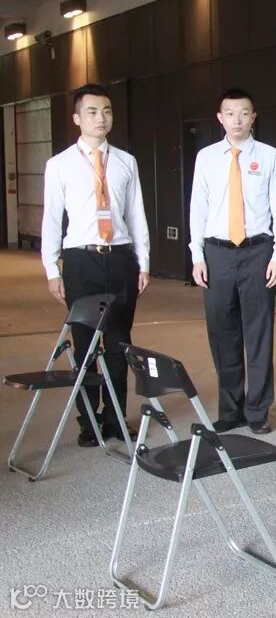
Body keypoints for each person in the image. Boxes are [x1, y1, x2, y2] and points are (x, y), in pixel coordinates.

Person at [41, 83, 150, 446]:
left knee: (119, 343)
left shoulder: (126, 162)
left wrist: (143, 263)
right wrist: (52, 270)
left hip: (119, 258)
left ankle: (116, 418)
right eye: (92, 112)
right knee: (85, 344)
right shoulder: (59, 165)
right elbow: (51, 220)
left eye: (106, 111)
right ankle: (88, 422)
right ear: (77, 118)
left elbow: (136, 215)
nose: (101, 118)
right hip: (80, 260)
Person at [189, 87, 276, 435]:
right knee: (222, 332)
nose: (237, 120)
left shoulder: (270, 156)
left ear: (253, 117)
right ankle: (230, 410)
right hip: (216, 252)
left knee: (259, 333)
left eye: (244, 113)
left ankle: (258, 410)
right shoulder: (205, 157)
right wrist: (197, 255)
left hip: (257, 251)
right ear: (220, 118)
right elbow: (198, 209)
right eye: (230, 114)